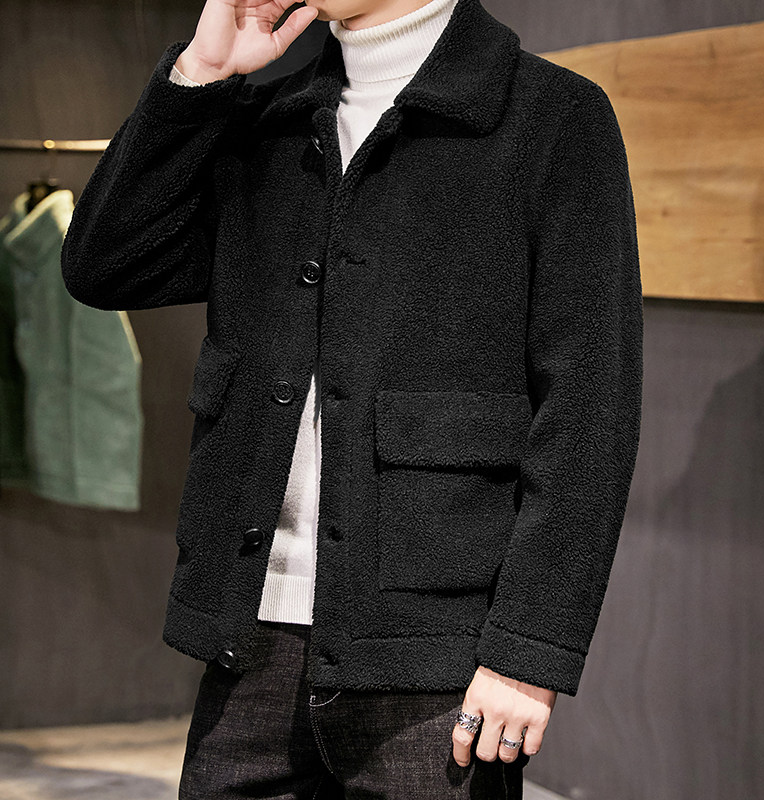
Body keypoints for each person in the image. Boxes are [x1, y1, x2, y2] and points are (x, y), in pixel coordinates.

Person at [61, 0, 643, 797]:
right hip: (251, 634)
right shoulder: (266, 117)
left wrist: (528, 651)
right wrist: (200, 74)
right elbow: (106, 265)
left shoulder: (552, 116)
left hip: (435, 658)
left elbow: (589, 408)